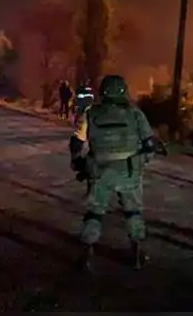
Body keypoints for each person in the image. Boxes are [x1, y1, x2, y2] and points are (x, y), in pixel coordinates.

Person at [69, 74, 162, 272]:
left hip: (99, 171)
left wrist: (78, 163)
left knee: (95, 212)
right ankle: (136, 253)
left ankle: (86, 253)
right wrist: (141, 162)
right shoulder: (135, 114)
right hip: (129, 171)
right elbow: (150, 144)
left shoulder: (90, 113)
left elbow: (76, 142)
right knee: (133, 212)